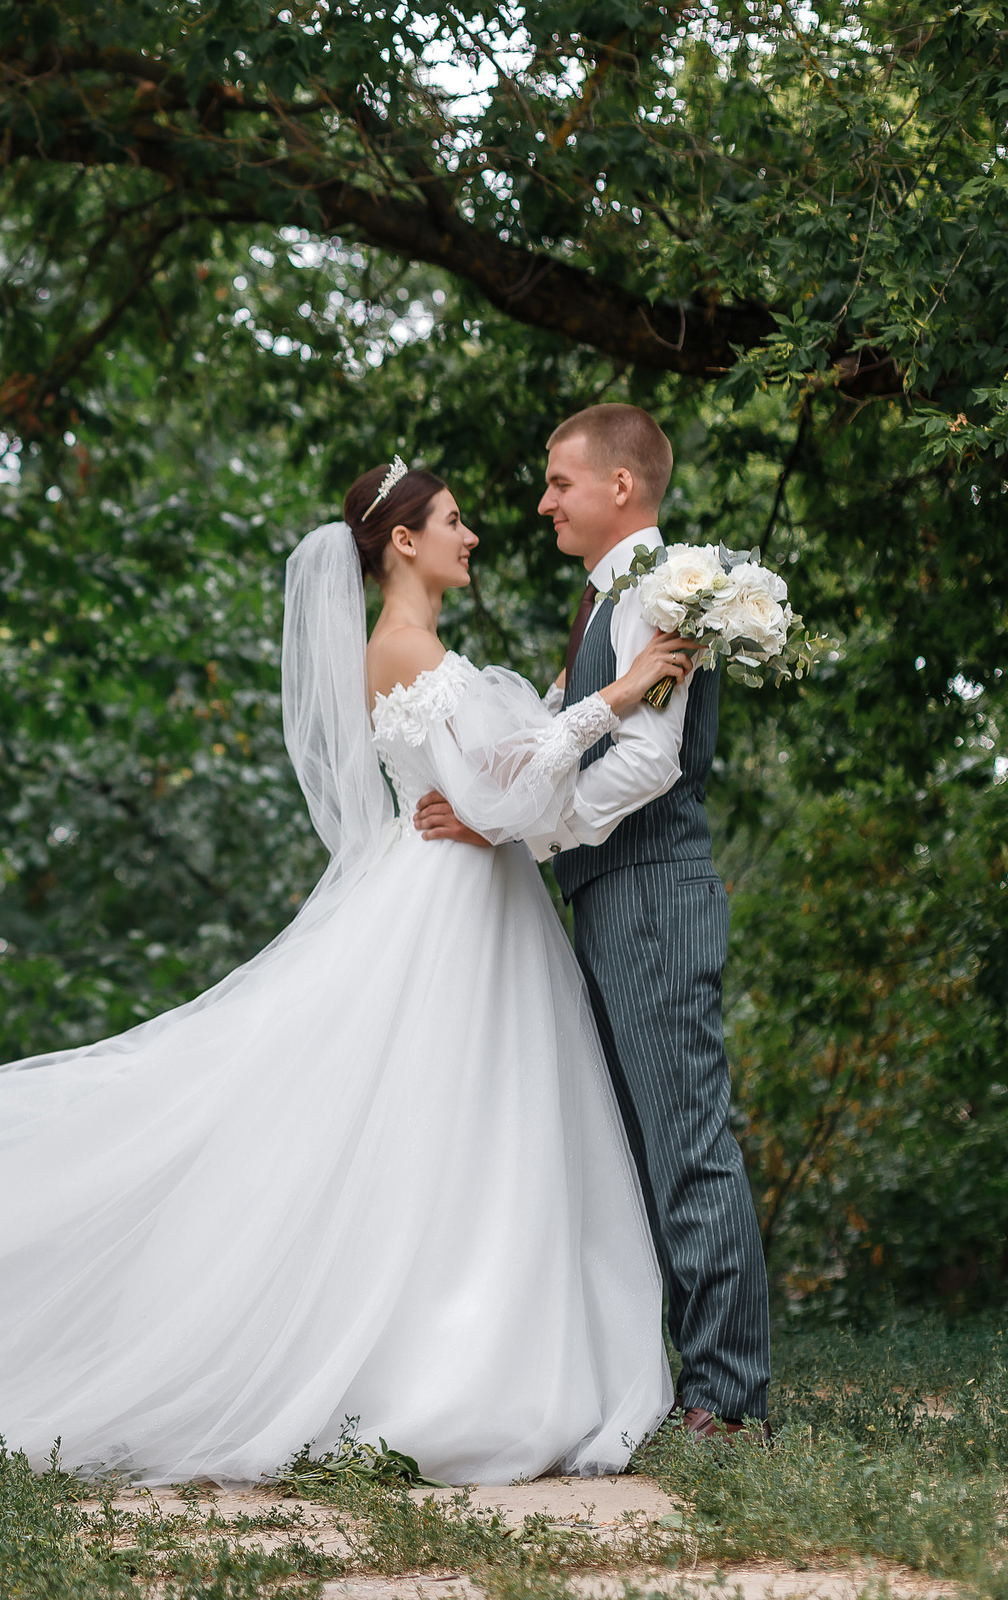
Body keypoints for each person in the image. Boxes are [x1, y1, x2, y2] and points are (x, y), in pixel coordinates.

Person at [0, 462, 697, 1484]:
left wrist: (574, 721)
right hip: (448, 914)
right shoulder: (402, 651)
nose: (475, 535)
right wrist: (623, 688)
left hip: (467, 907)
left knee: (464, 1141)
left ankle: (483, 1352)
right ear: (400, 541)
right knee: (433, 1135)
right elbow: (503, 795)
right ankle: (454, 1376)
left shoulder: (429, 654)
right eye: (453, 521)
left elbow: (501, 784)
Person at [414, 404, 773, 1441]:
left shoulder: (663, 590)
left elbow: (650, 763)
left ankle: (728, 1401)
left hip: (651, 887)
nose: (542, 502)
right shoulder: (616, 594)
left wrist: (523, 835)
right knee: (636, 1139)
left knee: (686, 1135)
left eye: (558, 482)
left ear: (621, 486)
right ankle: (677, 1380)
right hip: (614, 891)